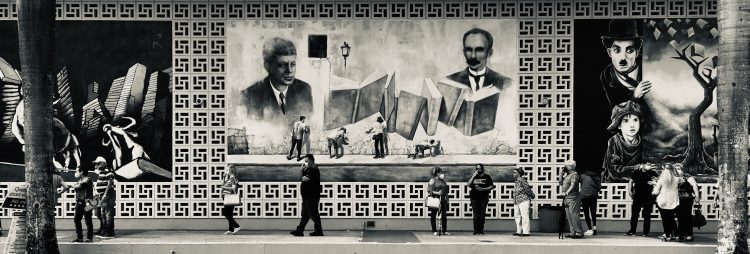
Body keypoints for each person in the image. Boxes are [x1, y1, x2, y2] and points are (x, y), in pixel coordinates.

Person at [241, 37, 313, 126]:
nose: (290, 70)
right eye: (282, 65)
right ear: (267, 67)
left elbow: (307, 126)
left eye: (293, 64)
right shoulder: (250, 95)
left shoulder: (304, 89)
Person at [599, 19, 651, 108]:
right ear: (609, 52)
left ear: (637, 53)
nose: (623, 57)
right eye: (617, 50)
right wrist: (634, 96)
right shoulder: (607, 75)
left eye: (629, 50)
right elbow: (617, 108)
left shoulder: (649, 64)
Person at [602, 100, 656, 182]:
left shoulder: (645, 141)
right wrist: (640, 167)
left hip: (638, 184)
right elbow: (614, 171)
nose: (632, 125)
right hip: (616, 185)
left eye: (635, 120)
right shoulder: (614, 142)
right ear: (619, 125)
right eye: (626, 121)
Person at [447, 28, 510, 94]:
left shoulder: (506, 83)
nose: (473, 56)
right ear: (464, 52)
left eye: (479, 50)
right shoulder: (449, 82)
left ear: (489, 53)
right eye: (469, 50)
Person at [290, 154, 324, 236]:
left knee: (314, 213)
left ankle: (319, 231)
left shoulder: (312, 168)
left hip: (311, 195)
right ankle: (300, 230)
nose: (304, 163)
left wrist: (301, 171)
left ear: (310, 160)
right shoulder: (310, 168)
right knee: (305, 214)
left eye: (306, 161)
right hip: (308, 195)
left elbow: (304, 179)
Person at [61, 167, 94, 243]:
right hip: (79, 202)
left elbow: (80, 186)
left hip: (87, 202)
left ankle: (89, 237)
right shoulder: (80, 180)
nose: (76, 173)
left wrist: (72, 185)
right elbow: (77, 186)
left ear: (81, 171)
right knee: (76, 219)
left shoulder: (88, 179)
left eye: (77, 171)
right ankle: (80, 237)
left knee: (88, 220)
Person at [626, 163, 658, 237]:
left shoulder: (652, 173)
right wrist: (630, 191)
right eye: (647, 164)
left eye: (650, 165)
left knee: (647, 215)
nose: (648, 166)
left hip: (648, 196)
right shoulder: (636, 172)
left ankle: (646, 232)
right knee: (634, 214)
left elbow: (657, 183)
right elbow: (631, 181)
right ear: (643, 165)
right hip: (637, 196)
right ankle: (632, 231)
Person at [652, 163, 680, 241]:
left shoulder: (662, 179)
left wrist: (654, 187)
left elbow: (656, 191)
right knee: (671, 218)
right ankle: (676, 234)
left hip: (663, 201)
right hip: (673, 201)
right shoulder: (677, 179)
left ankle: (668, 235)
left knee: (665, 219)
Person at [467, 164, 495, 235]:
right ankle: (476, 230)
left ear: (482, 169)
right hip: (474, 198)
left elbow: (492, 186)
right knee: (475, 214)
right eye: (477, 168)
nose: (478, 170)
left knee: (482, 214)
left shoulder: (487, 177)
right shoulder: (474, 177)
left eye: (479, 168)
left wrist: (483, 189)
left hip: (484, 198)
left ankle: (481, 229)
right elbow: (468, 185)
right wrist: (473, 176)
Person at [674, 163, 699, 242]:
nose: (678, 170)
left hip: (686, 199)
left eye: (679, 168)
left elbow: (694, 185)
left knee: (687, 217)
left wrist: (697, 196)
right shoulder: (674, 177)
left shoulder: (687, 176)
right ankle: (680, 234)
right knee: (680, 217)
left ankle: (689, 235)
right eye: (676, 168)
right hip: (677, 199)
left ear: (682, 168)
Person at [560, 160, 584, 239]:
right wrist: (561, 174)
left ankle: (579, 232)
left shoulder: (574, 175)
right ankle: (573, 232)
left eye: (566, 166)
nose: (565, 167)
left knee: (574, 215)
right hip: (566, 198)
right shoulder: (567, 175)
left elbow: (573, 185)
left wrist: (566, 192)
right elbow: (560, 183)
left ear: (570, 167)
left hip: (573, 197)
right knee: (569, 216)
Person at [93, 157, 116, 238]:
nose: (96, 165)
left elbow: (110, 182)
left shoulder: (108, 171)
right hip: (102, 194)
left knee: (108, 213)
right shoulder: (101, 173)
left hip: (108, 194)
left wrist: (105, 194)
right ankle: (104, 230)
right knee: (102, 213)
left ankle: (110, 232)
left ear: (103, 163)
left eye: (98, 163)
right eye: (96, 164)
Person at [427, 166, 450, 236]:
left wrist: (447, 198)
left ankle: (444, 231)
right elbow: (429, 191)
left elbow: (446, 190)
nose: (442, 173)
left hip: (443, 200)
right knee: (433, 215)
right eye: (440, 172)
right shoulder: (432, 180)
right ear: (437, 173)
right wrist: (437, 193)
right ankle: (434, 230)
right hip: (435, 200)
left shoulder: (443, 181)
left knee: (444, 216)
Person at [512, 167, 534, 236]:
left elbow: (527, 189)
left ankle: (526, 232)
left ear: (519, 174)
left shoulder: (522, 180)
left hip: (523, 200)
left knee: (524, 216)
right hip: (517, 201)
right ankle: (518, 231)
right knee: (517, 216)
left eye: (515, 172)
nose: (513, 174)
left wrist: (530, 196)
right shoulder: (516, 181)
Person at [579, 169, 601, 236]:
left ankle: (589, 229)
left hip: (584, 196)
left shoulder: (582, 176)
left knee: (586, 213)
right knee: (593, 212)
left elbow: (581, 185)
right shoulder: (596, 177)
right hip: (593, 196)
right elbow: (599, 188)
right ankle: (594, 227)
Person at [221, 165, 241, 235]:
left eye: (226, 169)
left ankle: (236, 226)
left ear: (230, 170)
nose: (225, 171)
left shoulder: (232, 178)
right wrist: (223, 177)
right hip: (226, 197)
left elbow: (234, 189)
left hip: (230, 197)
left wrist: (224, 188)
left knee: (226, 213)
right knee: (229, 214)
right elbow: (222, 185)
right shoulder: (229, 178)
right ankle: (231, 229)